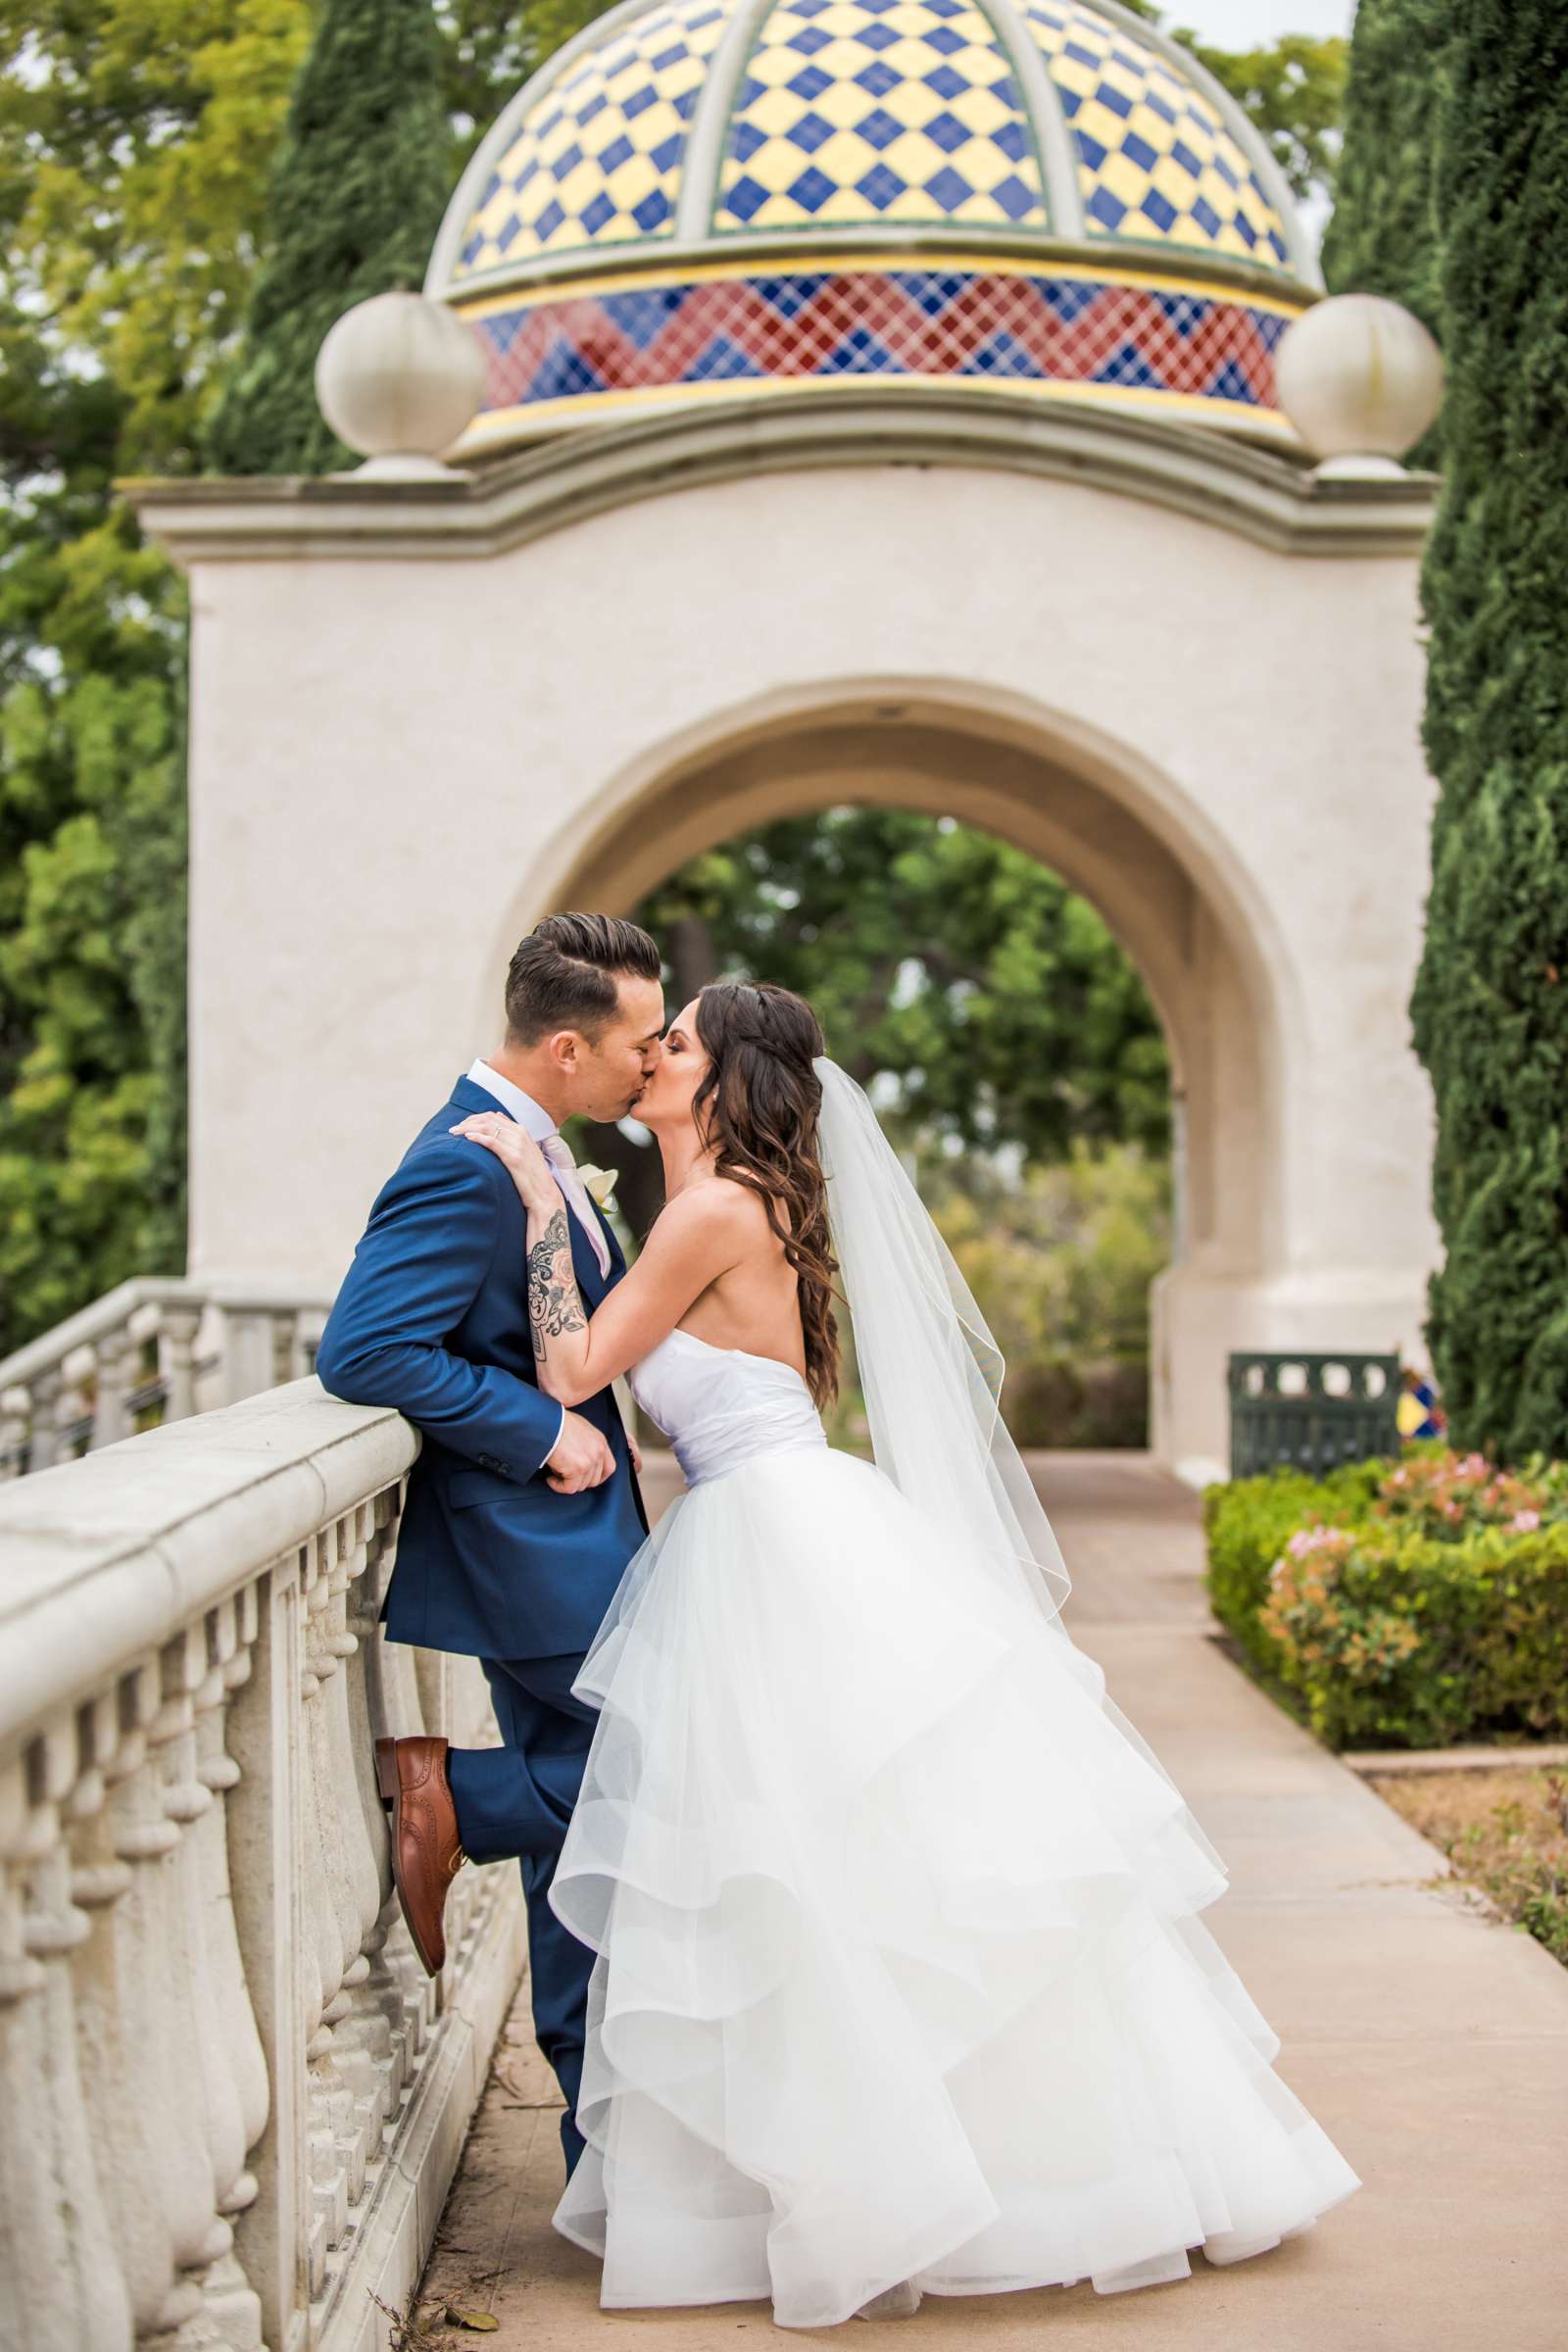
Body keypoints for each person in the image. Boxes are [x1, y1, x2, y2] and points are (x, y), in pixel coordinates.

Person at [449, 977, 1361, 2330]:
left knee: (802, 1874)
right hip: (792, 1526)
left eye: (678, 1042)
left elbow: (577, 1368)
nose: (655, 1055)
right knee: (841, 1869)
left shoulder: (708, 1211)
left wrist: (536, 1204)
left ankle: (858, 2185)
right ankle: (924, 2173)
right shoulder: (759, 1209)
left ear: (722, 1079)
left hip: (766, 1546)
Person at [315, 912, 664, 2174]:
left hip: (575, 1543)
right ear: (566, 1048)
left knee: (591, 1852)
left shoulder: (537, 1147)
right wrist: (532, 1430)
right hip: (533, 1547)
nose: (653, 1060)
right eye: (638, 1042)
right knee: (638, 1788)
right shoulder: (464, 1164)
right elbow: (364, 1348)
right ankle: (448, 1795)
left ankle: (607, 2168)